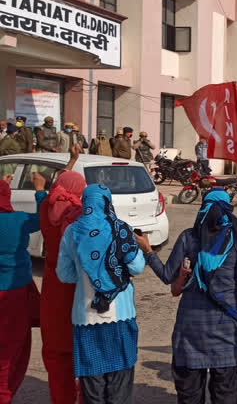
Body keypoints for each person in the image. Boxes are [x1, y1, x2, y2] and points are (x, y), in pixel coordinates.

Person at [138, 190, 237, 403]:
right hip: (227, 335)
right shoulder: (236, 238)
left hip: (190, 334)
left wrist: (148, 250)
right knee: (226, 396)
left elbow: (167, 276)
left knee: (190, 396)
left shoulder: (188, 237)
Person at [56, 184, 145, 403]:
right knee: (120, 381)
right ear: (108, 203)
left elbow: (64, 275)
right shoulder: (121, 229)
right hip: (120, 317)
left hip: (85, 318)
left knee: (92, 385)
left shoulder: (72, 231)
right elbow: (137, 267)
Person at [39, 149, 84, 404]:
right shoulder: (82, 214)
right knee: (82, 353)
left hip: (53, 288)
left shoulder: (47, 207)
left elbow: (57, 187)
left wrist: (72, 161)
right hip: (77, 289)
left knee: (56, 354)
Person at [0, 171, 47, 403]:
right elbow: (44, 217)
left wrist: (3, 186)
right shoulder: (17, 220)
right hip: (15, 295)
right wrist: (40, 191)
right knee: (11, 351)